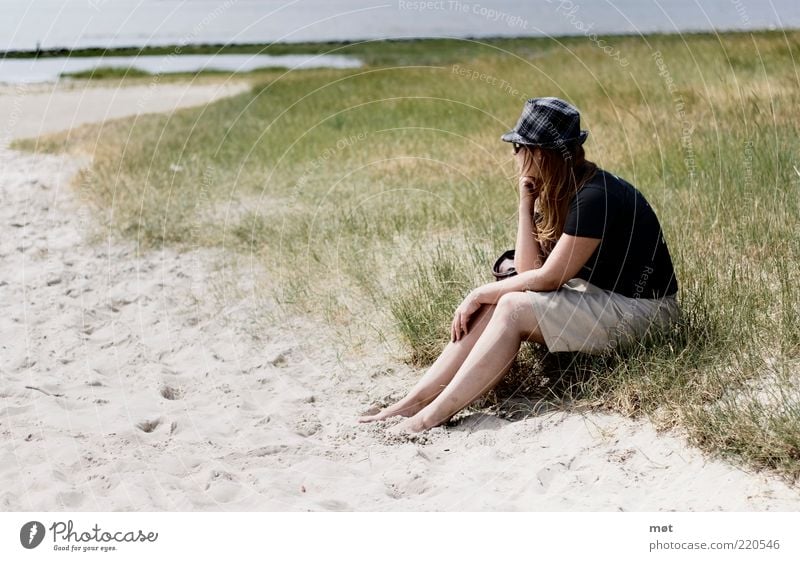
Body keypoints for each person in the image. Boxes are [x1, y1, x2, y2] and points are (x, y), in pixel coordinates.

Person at [357, 97, 680, 434]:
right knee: (505, 297)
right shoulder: (563, 189)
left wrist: (479, 292)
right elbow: (529, 273)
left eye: (518, 148)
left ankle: (428, 417)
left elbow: (550, 277)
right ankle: (415, 401)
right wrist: (526, 203)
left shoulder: (595, 196)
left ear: (538, 153)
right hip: (606, 297)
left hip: (648, 313)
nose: (514, 156)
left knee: (510, 304)